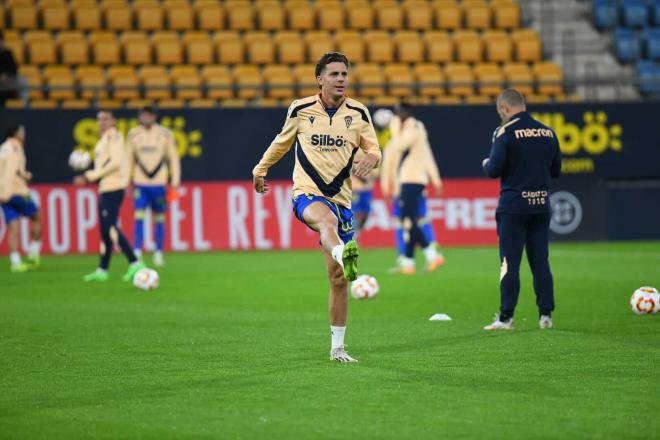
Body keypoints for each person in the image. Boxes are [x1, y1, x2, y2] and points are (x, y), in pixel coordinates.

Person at [252, 52, 381, 363]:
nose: (341, 79)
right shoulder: (301, 109)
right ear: (319, 79)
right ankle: (341, 252)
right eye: (334, 74)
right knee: (326, 224)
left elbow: (374, 149)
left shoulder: (359, 113)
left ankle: (338, 348)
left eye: (344, 74)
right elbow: (282, 142)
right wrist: (260, 169)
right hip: (307, 194)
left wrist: (372, 158)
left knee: (338, 280)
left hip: (342, 201)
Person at [481, 89, 561, 331]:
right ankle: (545, 315)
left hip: (513, 208)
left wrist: (486, 163)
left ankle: (506, 317)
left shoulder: (504, 132)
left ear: (505, 108)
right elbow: (556, 171)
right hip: (541, 206)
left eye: (500, 112)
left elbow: (494, 169)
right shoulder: (548, 131)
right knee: (541, 263)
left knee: (509, 263)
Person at [74, 110, 145, 282]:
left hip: (113, 187)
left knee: (111, 227)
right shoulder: (105, 138)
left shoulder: (114, 136)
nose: (101, 122)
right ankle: (102, 269)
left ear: (113, 120)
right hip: (105, 187)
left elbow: (115, 162)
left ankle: (135, 261)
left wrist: (89, 175)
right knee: (105, 231)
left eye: (106, 119)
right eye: (99, 119)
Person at [381, 103, 444, 275]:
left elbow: (401, 146)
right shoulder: (410, 130)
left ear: (404, 114)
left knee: (410, 221)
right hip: (406, 183)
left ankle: (432, 255)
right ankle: (408, 262)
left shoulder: (414, 128)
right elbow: (389, 162)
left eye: (398, 114)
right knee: (408, 222)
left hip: (412, 181)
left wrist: (394, 128)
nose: (396, 117)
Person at [127, 106, 180, 267]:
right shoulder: (133, 135)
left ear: (154, 117)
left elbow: (173, 158)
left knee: (159, 219)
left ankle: (158, 253)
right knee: (139, 218)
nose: (146, 118)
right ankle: (137, 252)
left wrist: (175, 182)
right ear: (140, 117)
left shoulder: (165, 134)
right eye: (143, 115)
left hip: (159, 183)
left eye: (149, 115)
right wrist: (126, 181)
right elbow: (128, 159)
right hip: (140, 183)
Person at [0, 124, 41, 272]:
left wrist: (24, 175)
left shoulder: (4, 147)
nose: (24, 134)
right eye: (22, 131)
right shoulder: (15, 147)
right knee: (37, 218)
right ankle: (33, 253)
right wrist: (7, 192)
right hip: (16, 192)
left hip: (3, 193)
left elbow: (11, 170)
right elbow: (11, 171)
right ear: (16, 134)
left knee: (13, 227)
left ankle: (16, 262)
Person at [0, 31, 19, 104]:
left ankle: (24, 104)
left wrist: (6, 76)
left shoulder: (8, 53)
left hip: (8, 79)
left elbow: (14, 68)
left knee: (23, 81)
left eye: (1, 41)